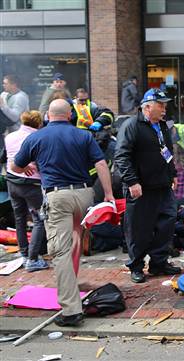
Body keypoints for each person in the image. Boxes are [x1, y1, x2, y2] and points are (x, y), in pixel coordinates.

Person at [11, 99, 114, 327]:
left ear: (48, 115)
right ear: (70, 115)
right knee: (76, 239)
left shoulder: (36, 137)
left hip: (57, 197)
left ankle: (71, 310)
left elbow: (15, 166)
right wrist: (108, 194)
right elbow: (102, 165)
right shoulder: (84, 135)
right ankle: (72, 282)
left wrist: (30, 168)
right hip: (85, 194)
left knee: (60, 251)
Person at [114, 88, 180, 284]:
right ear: (147, 106)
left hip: (162, 184)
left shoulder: (162, 126)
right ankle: (136, 265)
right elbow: (121, 156)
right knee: (139, 229)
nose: (164, 109)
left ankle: (159, 262)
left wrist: (173, 173)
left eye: (165, 105)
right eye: (161, 105)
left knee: (167, 222)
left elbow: (167, 152)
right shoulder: (132, 125)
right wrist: (132, 181)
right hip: (140, 187)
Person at [4, 111, 47, 271]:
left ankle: (24, 253)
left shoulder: (10, 136)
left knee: (19, 218)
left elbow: (5, 157)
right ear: (38, 123)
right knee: (39, 219)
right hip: (32, 184)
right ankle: (33, 259)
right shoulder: (37, 137)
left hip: (12, 181)